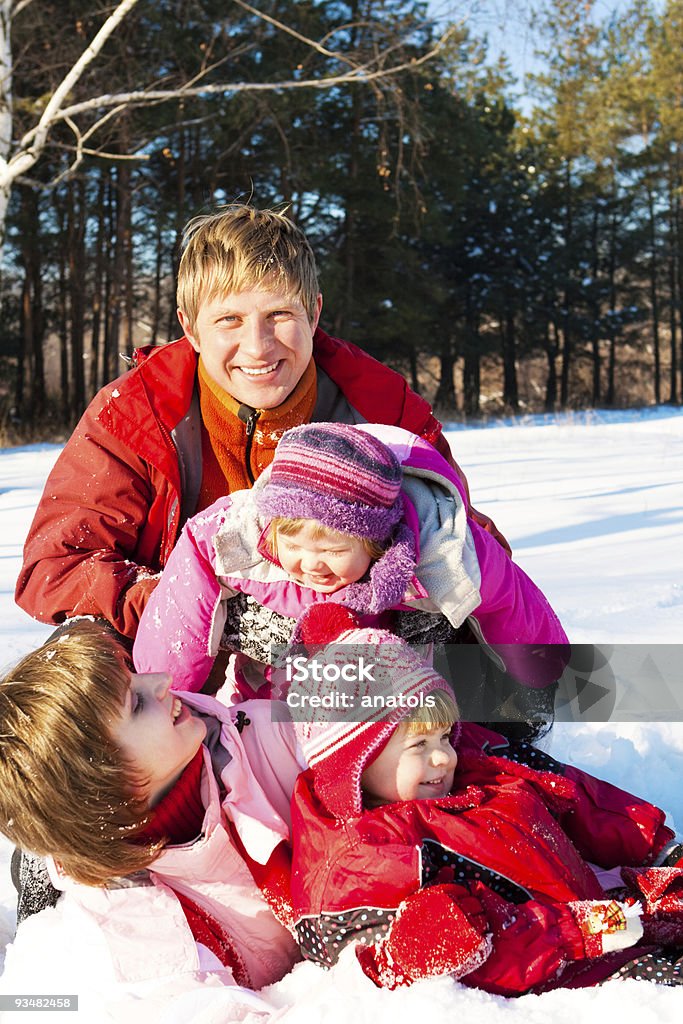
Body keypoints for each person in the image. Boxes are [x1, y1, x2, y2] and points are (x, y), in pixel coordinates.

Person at [14, 203, 506, 641]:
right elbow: (57, 567)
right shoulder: (136, 413)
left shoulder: (380, 408)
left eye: (278, 314)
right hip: (178, 658)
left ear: (313, 314)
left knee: (501, 665)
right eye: (229, 320)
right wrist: (216, 612)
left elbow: (472, 541)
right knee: (76, 663)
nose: (258, 346)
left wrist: (399, 604)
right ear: (191, 328)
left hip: (350, 649)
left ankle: (512, 734)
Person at [287, 603, 683, 996]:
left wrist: (662, 852)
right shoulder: (365, 860)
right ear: (355, 760)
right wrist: (573, 932)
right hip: (563, 972)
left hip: (610, 911)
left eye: (444, 737)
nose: (444, 755)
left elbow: (572, 795)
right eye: (419, 744)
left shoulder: (471, 773)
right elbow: (410, 957)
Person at [133, 421, 568, 705]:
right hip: (276, 681)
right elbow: (186, 585)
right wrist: (160, 687)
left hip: (402, 680)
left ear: (376, 542)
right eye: (294, 545)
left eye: (333, 552)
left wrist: (541, 669)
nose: (310, 564)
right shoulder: (240, 535)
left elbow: (511, 599)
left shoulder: (444, 552)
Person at [0, 620, 304, 1012]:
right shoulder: (124, 905)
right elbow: (199, 1007)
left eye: (136, 677)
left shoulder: (262, 740)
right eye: (138, 703)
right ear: (102, 782)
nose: (162, 680)